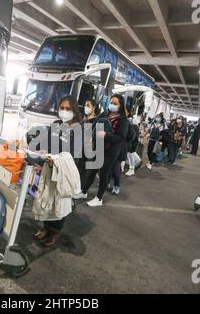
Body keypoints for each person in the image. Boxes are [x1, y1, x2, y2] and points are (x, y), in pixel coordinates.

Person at [28, 95, 82, 246]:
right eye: (61, 108)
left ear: (74, 111)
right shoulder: (55, 124)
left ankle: (55, 232)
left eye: (68, 109)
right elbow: (45, 145)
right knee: (46, 199)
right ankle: (46, 228)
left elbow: (74, 157)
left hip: (62, 172)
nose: (64, 111)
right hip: (48, 167)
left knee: (59, 202)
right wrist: (40, 161)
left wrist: (56, 162)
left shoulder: (78, 130)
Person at [81, 94, 128, 207]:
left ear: (120, 105)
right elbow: (95, 124)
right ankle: (83, 192)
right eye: (111, 102)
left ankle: (99, 198)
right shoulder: (105, 114)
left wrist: (106, 135)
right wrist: (91, 135)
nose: (112, 105)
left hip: (110, 152)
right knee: (92, 171)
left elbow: (120, 138)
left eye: (115, 103)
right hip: (98, 147)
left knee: (104, 174)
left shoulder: (123, 121)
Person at [73, 100, 109, 199]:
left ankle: (81, 190)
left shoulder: (97, 120)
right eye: (85, 105)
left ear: (94, 107)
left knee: (85, 171)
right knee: (77, 168)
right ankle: (76, 188)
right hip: (79, 148)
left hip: (89, 150)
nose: (85, 107)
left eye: (88, 105)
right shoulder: (84, 118)